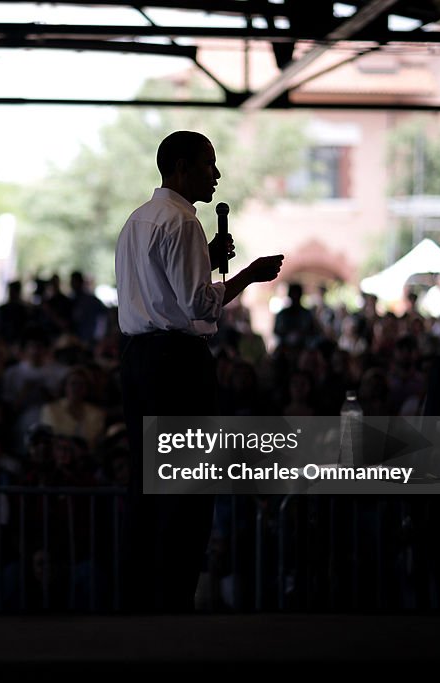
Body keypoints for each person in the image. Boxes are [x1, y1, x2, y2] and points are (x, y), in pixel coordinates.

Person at [115, 130, 283, 612]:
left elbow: (158, 289)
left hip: (138, 361)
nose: (217, 175)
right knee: (185, 489)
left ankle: (137, 599)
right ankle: (173, 601)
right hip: (176, 363)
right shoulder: (183, 222)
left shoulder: (138, 220)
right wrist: (246, 275)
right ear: (183, 167)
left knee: (147, 483)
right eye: (209, 165)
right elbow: (198, 304)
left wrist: (207, 260)